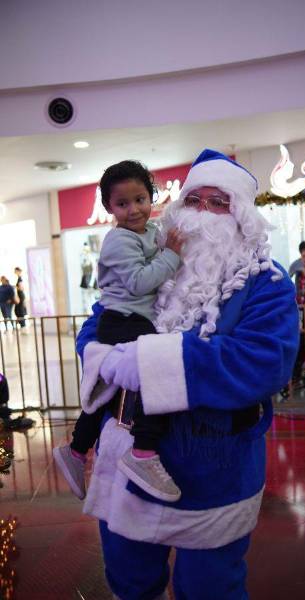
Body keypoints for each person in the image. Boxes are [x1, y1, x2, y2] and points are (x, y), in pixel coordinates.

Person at [74, 149, 298, 600]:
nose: (204, 214)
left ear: (241, 218)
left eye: (220, 203)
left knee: (209, 587)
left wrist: (152, 362)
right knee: (129, 579)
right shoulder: (155, 264)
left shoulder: (266, 282)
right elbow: (98, 322)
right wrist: (102, 355)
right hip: (127, 461)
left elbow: (263, 360)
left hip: (213, 468)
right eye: (195, 201)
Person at [54, 160, 186, 503]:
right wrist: (172, 255)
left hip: (132, 318)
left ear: (151, 197)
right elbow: (140, 281)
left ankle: (77, 449)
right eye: (122, 204)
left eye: (140, 199)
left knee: (109, 389)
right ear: (109, 208)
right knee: (157, 371)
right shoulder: (118, 241)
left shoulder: (148, 233)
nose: (134, 210)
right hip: (124, 320)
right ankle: (143, 451)